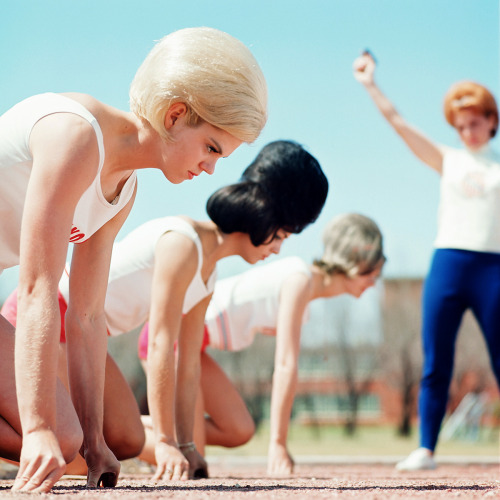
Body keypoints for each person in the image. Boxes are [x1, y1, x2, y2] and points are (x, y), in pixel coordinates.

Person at [0, 26, 267, 492]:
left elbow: (85, 316)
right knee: (54, 437)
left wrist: (96, 440)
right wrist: (37, 428)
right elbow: (37, 285)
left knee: (92, 440)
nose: (211, 169)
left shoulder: (123, 190)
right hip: (31, 290)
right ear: (176, 114)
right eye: (211, 148)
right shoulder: (75, 135)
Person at [2, 140, 328, 481]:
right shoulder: (183, 242)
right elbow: (158, 345)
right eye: (282, 236)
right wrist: (165, 441)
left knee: (127, 440)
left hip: (80, 334)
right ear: (263, 217)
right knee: (73, 452)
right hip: (47, 318)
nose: (278, 249)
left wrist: (185, 444)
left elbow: (186, 363)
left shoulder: (209, 272)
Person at [139, 213, 384, 476]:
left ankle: (148, 426)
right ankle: (122, 429)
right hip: (173, 337)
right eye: (372, 273)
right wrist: (277, 444)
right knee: (190, 463)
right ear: (354, 261)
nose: (374, 282)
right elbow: (285, 365)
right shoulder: (298, 279)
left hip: (193, 348)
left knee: (239, 430)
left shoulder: (304, 297)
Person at [353, 51, 500, 471]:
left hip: (493, 269)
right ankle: (426, 449)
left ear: (492, 120)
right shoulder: (447, 159)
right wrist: (369, 83)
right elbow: (399, 123)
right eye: (460, 125)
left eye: (475, 122)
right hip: (449, 265)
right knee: (437, 359)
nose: (467, 131)